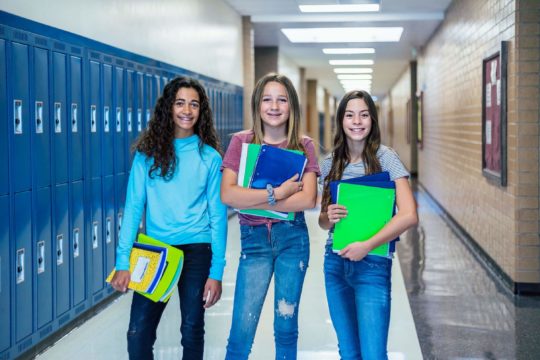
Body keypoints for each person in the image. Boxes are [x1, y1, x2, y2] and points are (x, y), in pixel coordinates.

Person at [110, 76, 227, 360]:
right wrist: (122, 262)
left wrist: (217, 272)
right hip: (155, 250)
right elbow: (133, 208)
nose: (187, 110)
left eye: (194, 104)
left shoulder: (209, 157)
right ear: (169, 108)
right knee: (138, 333)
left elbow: (218, 216)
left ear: (201, 111)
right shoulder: (147, 155)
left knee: (191, 329)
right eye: (180, 103)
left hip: (197, 250)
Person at [220, 73, 320, 359]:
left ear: (292, 106)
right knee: (241, 331)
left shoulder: (303, 145)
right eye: (267, 99)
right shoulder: (241, 142)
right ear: (257, 104)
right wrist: (278, 193)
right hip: (254, 245)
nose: (274, 106)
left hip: (293, 241)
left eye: (282, 99)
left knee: (286, 328)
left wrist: (251, 198)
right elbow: (228, 195)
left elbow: (308, 199)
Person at [318, 90, 418, 360]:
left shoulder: (386, 158)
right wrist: (329, 214)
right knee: (348, 353)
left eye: (364, 115)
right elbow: (323, 222)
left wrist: (368, 245)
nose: (357, 121)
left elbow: (409, 214)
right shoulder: (329, 163)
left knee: (373, 354)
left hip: (373, 264)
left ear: (372, 120)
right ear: (341, 120)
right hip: (335, 263)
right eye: (349, 115)